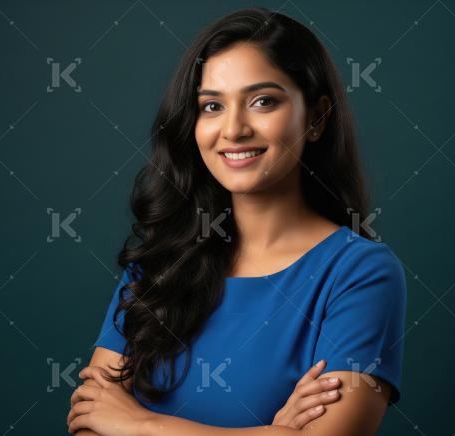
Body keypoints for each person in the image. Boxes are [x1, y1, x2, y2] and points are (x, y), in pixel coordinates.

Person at [67, 7, 407, 435]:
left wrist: (139, 424)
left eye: (263, 101)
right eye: (212, 106)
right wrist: (270, 433)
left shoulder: (360, 273)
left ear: (317, 117)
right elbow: (88, 422)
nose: (233, 129)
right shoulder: (159, 263)